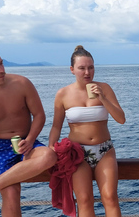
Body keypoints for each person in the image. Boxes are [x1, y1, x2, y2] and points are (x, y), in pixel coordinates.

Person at [0, 43, 57, 216]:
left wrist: (30, 139)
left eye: (1, 63)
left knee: (49, 156)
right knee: (11, 194)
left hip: (27, 141)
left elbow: (39, 115)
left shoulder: (22, 83)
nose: (1, 70)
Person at [48, 45, 126, 217]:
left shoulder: (104, 88)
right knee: (84, 200)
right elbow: (56, 126)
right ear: (72, 70)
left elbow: (121, 119)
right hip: (77, 153)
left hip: (104, 150)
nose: (87, 72)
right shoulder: (63, 94)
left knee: (110, 197)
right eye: (81, 68)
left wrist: (103, 99)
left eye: (90, 67)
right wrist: (51, 149)